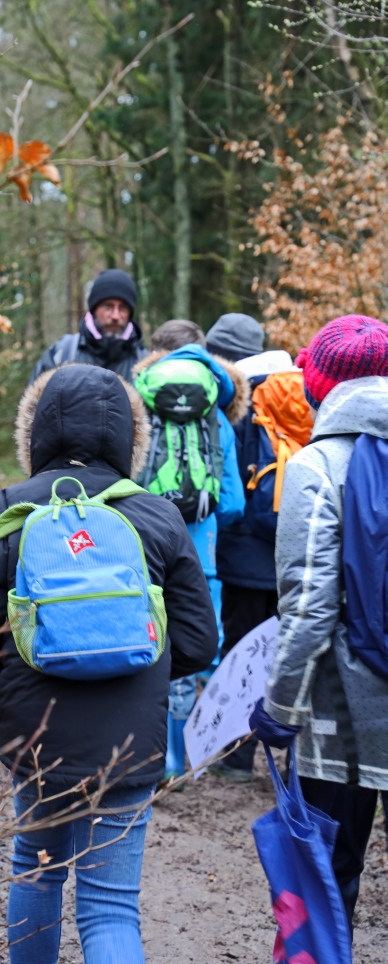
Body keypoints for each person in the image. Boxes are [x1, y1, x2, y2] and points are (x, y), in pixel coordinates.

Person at [0, 363, 217, 964]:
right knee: (110, 905)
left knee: (36, 874)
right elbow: (199, 640)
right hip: (130, 741)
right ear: (129, 436)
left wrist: (30, 655)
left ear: (36, 432)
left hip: (39, 736)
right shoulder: (157, 515)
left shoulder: (15, 507)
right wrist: (137, 663)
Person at [250, 314, 388, 931]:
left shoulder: (315, 466)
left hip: (343, 721)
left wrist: (278, 712)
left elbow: (307, 612)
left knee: (326, 885)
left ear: (319, 386)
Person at [133, 319, 249, 779]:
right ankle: (174, 759)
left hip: (143, 544)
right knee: (186, 647)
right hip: (199, 552)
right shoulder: (217, 412)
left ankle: (140, 746)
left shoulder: (140, 400)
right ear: (204, 354)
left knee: (146, 637)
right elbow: (235, 501)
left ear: (156, 354)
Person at [207, 313, 304, 782]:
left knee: (242, 652)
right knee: (291, 653)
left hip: (246, 551)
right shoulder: (300, 389)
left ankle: (237, 757)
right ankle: (296, 761)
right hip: (295, 549)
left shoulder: (236, 397)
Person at [28, 268, 148, 384]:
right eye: (108, 306)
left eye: (123, 307)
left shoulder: (145, 363)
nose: (115, 316)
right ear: (94, 309)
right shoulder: (62, 353)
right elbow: (34, 401)